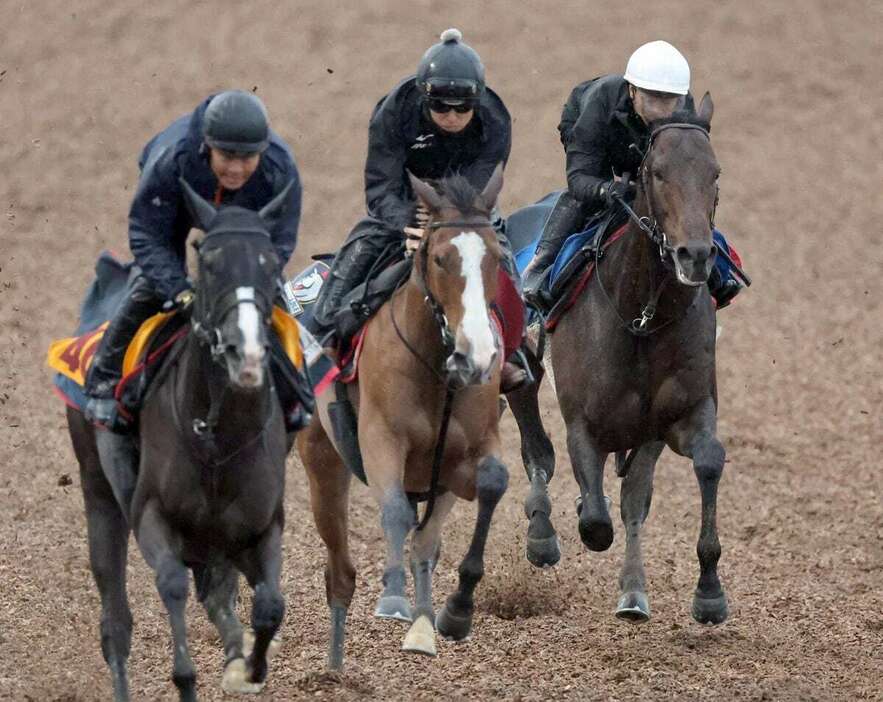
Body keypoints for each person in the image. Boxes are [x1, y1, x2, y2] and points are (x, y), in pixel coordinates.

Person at [310, 28, 528, 390]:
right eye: (441, 106)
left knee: (502, 262)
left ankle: (513, 349)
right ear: (424, 98)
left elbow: (479, 187)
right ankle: (321, 339)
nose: (452, 116)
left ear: (477, 101)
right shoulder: (394, 111)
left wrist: (444, 225)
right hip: (406, 207)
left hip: (466, 212)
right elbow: (380, 187)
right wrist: (407, 223)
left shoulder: (496, 119)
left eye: (463, 108)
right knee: (358, 250)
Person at [83, 90, 303, 429]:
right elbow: (147, 235)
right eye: (227, 156)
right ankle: (103, 380)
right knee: (148, 290)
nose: (235, 168)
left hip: (247, 221)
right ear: (207, 146)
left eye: (247, 158)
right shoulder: (173, 160)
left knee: (273, 300)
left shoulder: (280, 169)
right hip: (178, 205)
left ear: (261, 153)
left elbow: (281, 242)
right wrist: (180, 291)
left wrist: (254, 277)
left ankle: (295, 392)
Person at [522, 40, 743, 311]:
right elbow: (579, 179)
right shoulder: (598, 104)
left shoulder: (683, 108)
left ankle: (718, 270)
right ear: (632, 90)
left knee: (679, 195)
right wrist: (605, 189)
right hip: (598, 134)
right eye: (652, 100)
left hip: (647, 149)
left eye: (670, 101)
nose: (662, 111)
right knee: (588, 201)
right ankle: (540, 268)